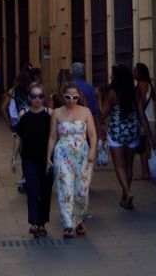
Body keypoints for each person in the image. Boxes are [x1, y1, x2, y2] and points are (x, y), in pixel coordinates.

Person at [47, 82, 97, 238]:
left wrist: (93, 151)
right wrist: (48, 157)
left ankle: (79, 219)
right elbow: (52, 136)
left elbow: (92, 134)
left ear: (79, 97)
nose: (71, 100)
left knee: (81, 190)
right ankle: (68, 224)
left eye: (75, 97)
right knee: (65, 188)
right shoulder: (56, 112)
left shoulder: (86, 111)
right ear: (63, 96)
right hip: (62, 153)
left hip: (82, 154)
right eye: (68, 97)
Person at [99, 63, 151, 209]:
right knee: (129, 166)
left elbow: (103, 114)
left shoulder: (112, 93)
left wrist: (99, 98)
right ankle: (124, 197)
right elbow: (142, 116)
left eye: (112, 74)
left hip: (116, 133)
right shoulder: (135, 92)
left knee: (119, 166)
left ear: (116, 77)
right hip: (132, 132)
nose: (110, 76)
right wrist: (149, 136)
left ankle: (127, 193)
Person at [13, 81, 54, 238]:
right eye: (34, 96)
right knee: (32, 189)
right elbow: (19, 137)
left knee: (45, 191)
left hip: (47, 159)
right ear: (29, 98)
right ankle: (34, 222)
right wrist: (13, 157)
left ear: (44, 98)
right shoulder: (23, 114)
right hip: (29, 158)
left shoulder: (50, 114)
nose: (37, 99)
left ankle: (42, 223)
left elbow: (55, 136)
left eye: (40, 96)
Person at [2, 70, 32, 190]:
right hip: (29, 120)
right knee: (29, 149)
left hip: (16, 121)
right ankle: (29, 176)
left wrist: (9, 122)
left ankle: (25, 176)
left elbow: (3, 108)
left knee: (22, 151)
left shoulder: (12, 91)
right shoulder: (31, 92)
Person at [134, 63, 156, 180]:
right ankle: (146, 171)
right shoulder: (148, 84)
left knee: (144, 147)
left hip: (145, 119)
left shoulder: (142, 84)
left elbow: (142, 100)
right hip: (150, 118)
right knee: (146, 146)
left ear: (140, 72)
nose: (133, 72)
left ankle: (145, 172)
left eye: (135, 70)